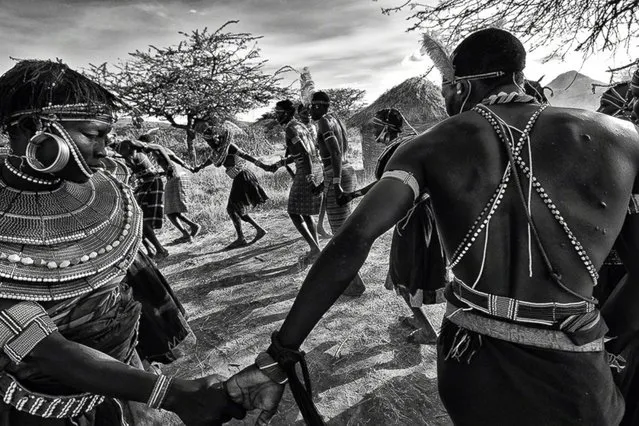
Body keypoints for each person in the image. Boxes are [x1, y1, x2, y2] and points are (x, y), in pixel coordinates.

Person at [224, 29, 639, 425]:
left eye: (446, 87)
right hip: (578, 367)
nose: (445, 97)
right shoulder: (622, 138)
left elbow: (354, 237)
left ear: (460, 85)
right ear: (519, 75)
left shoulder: (429, 145)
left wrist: (281, 354)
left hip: (474, 360)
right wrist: (600, 339)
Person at [0, 60, 245, 425]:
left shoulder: (103, 189)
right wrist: (170, 393)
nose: (103, 149)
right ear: (31, 128)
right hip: (49, 406)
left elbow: (127, 280)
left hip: (125, 375)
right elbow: (38, 347)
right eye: (92, 134)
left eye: (107, 136)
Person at [340, 108, 444, 344]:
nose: (374, 131)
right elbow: (383, 183)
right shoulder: (408, 143)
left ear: (387, 127)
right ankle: (419, 319)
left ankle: (428, 330)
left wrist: (360, 202)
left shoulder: (399, 149)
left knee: (404, 270)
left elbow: (385, 187)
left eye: (377, 127)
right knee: (408, 267)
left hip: (413, 217)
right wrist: (355, 194)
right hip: (420, 214)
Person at [309, 91, 366, 296]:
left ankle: (355, 283)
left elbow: (335, 153)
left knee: (340, 233)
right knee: (341, 230)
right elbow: (337, 155)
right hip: (341, 172)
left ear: (324, 106)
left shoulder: (324, 122)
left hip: (338, 175)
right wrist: (325, 182)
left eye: (316, 106)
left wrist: (335, 183)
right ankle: (352, 279)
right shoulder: (334, 120)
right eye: (311, 106)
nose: (311, 110)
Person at [193, 124, 270, 249]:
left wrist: (262, 165)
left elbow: (246, 156)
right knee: (236, 208)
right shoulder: (218, 151)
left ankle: (242, 237)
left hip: (243, 177)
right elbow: (211, 160)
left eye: (210, 140)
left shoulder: (230, 147)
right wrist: (199, 167)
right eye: (207, 141)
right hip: (239, 178)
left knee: (232, 208)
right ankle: (257, 231)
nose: (209, 143)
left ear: (216, 138)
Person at [269, 100, 323, 263]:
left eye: (279, 112)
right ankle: (316, 248)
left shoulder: (291, 129)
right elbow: (301, 153)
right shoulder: (299, 125)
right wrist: (279, 164)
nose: (276, 115)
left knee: (293, 211)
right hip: (314, 168)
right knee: (305, 212)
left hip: (307, 171)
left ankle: (314, 249)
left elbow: (305, 155)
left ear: (286, 113)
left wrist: (309, 179)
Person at [117, 139, 169, 259]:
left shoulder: (129, 145)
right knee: (136, 220)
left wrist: (169, 167)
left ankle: (160, 250)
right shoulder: (119, 150)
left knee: (142, 220)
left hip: (152, 183)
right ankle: (151, 250)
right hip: (144, 185)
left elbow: (158, 147)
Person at [298, 103, 331, 239]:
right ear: (298, 114)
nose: (307, 115)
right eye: (304, 113)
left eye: (308, 112)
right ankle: (314, 228)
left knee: (322, 195)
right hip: (308, 165)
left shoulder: (312, 126)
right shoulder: (298, 128)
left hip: (317, 163)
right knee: (308, 197)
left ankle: (319, 225)